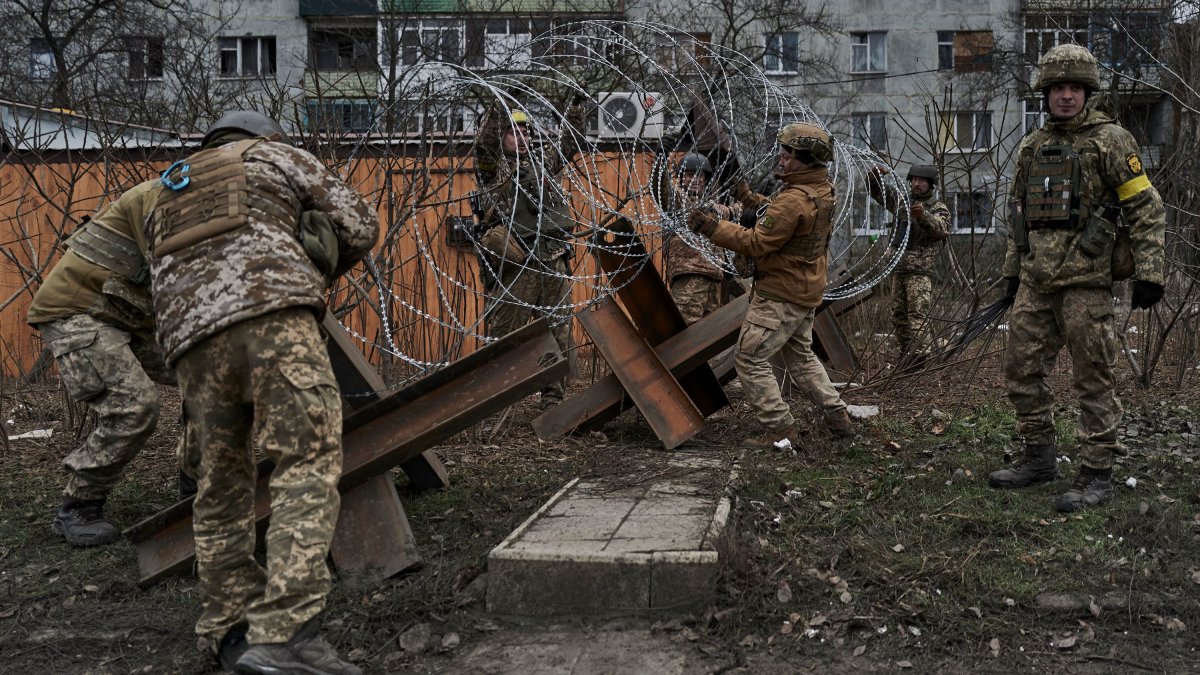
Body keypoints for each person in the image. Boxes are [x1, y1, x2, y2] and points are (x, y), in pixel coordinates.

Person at [146, 110, 378, 674]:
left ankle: (230, 638)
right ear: (264, 135)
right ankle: (285, 635)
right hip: (273, 315)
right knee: (304, 457)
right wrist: (317, 262)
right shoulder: (273, 155)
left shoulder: (166, 191)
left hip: (191, 343)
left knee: (219, 485)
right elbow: (359, 224)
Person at [987, 44, 1166, 512]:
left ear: (1087, 92)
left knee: (1094, 378)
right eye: (1057, 88)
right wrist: (1011, 275)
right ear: (1045, 93)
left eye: (1074, 88)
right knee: (1020, 371)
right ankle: (1039, 458)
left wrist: (1150, 272)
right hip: (1036, 281)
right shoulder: (1032, 145)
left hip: (1086, 283)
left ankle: (1097, 473)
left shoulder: (1111, 140)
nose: (1065, 96)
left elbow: (1145, 209)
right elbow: (1018, 216)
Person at [26, 178, 192, 547]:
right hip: (78, 310)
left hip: (125, 312)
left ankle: (197, 484)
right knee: (134, 405)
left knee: (212, 378)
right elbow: (178, 270)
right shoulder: (163, 195)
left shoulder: (215, 197)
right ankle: (79, 506)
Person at [688, 122, 854, 448]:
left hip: (780, 294)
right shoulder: (820, 190)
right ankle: (838, 418)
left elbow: (756, 241)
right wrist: (749, 198)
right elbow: (782, 218)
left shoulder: (793, 200)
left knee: (749, 358)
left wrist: (712, 228)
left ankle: (780, 429)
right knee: (802, 359)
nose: (781, 159)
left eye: (788, 155)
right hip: (804, 290)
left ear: (805, 159)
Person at [473, 104, 583, 408]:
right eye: (512, 131)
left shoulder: (543, 162)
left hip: (553, 256)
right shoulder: (493, 169)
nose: (520, 137)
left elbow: (569, 142)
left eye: (525, 131)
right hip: (517, 263)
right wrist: (498, 109)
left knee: (558, 331)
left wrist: (574, 108)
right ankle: (494, 401)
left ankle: (553, 401)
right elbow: (485, 145)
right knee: (506, 336)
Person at [866, 164, 951, 365]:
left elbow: (941, 230)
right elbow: (881, 193)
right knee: (899, 316)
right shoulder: (903, 202)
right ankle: (907, 355)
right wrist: (873, 178)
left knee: (917, 316)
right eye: (913, 180)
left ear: (930, 184)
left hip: (919, 272)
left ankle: (920, 358)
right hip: (899, 268)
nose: (916, 184)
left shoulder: (937, 207)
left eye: (921, 181)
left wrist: (923, 216)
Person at [665, 152, 738, 324]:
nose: (696, 179)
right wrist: (661, 164)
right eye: (691, 174)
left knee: (708, 334)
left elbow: (733, 211)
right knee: (687, 329)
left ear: (706, 179)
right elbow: (663, 189)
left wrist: (752, 200)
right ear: (682, 177)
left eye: (700, 175)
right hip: (691, 275)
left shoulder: (712, 207)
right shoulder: (678, 201)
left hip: (713, 278)